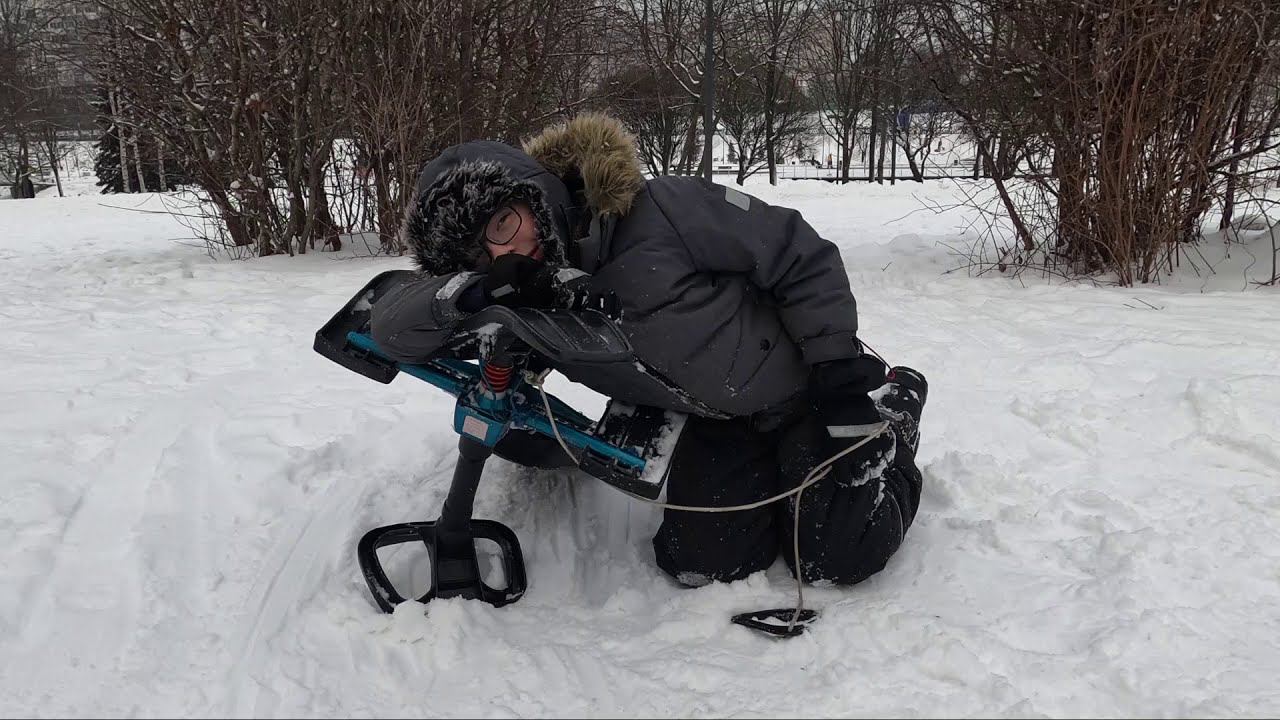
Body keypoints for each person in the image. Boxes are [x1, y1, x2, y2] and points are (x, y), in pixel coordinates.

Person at [371, 113, 927, 588]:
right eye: (479, 252)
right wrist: (471, 291)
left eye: (503, 220)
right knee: (703, 566)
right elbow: (389, 329)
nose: (509, 247)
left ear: (530, 187)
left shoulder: (662, 209)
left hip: (807, 391)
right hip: (713, 419)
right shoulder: (522, 300)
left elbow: (799, 254)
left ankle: (896, 411)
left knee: (838, 555)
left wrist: (838, 375)